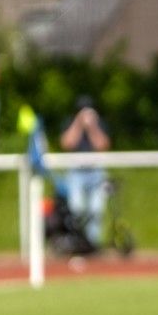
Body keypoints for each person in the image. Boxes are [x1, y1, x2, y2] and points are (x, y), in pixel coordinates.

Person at [60, 96, 112, 249]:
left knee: (96, 209)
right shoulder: (70, 123)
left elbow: (102, 145)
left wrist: (92, 127)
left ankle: (92, 243)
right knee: (76, 208)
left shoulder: (99, 123)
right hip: (76, 172)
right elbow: (67, 143)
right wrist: (78, 123)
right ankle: (76, 241)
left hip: (96, 172)